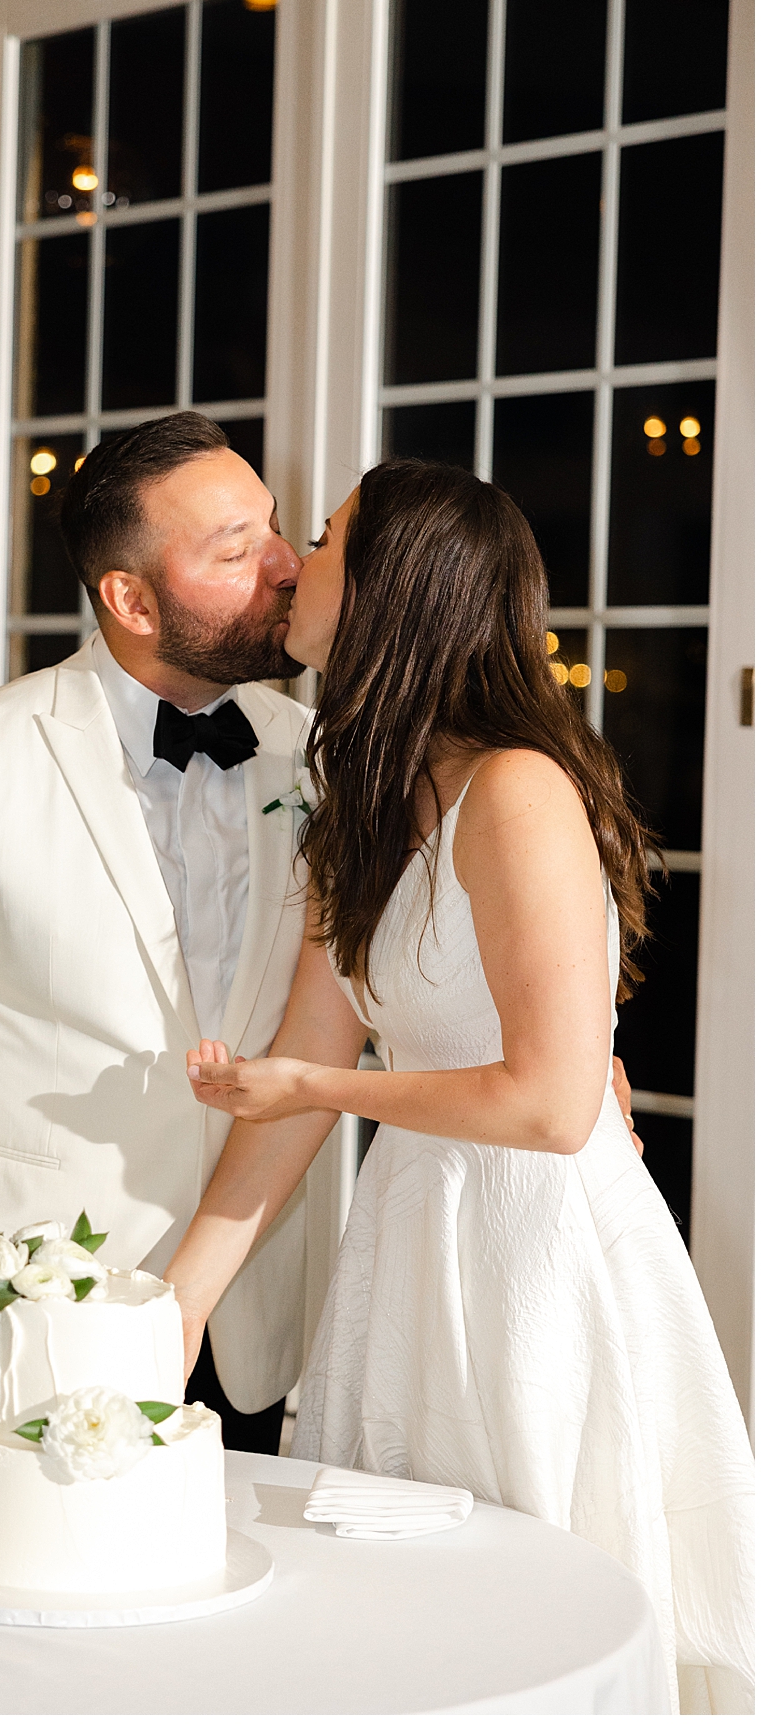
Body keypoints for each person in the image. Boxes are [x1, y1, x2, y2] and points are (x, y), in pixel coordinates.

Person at [168, 463, 752, 1711]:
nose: (292, 561)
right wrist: (166, 1315)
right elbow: (293, 1100)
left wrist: (327, 1079)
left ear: (386, 589)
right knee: (399, 1644)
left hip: (537, 1252)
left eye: (320, 540)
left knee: (538, 1626)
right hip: (411, 1247)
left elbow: (552, 1107)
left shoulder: (518, 792)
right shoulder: (363, 811)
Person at [0, 411, 329, 1450]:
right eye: (235, 550)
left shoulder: (315, 758)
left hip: (245, 1320)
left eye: (275, 528)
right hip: (10, 1314)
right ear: (128, 599)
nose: (286, 566)